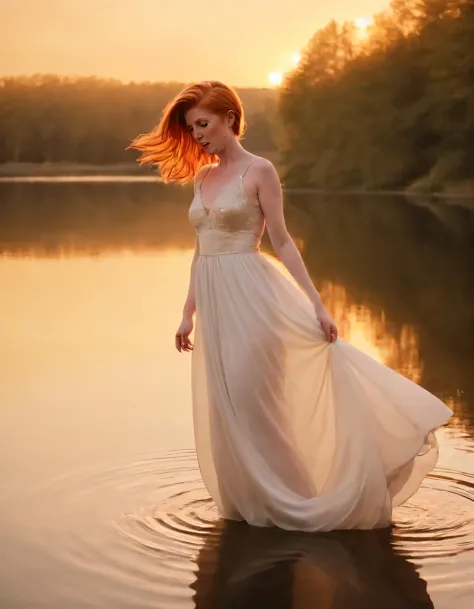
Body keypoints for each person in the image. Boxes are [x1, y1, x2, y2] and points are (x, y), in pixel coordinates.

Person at [129, 80, 453, 531]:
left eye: (203, 123)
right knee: (229, 410)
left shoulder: (260, 171)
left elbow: (281, 240)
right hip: (216, 307)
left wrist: (318, 306)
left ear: (230, 118)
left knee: (255, 402)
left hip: (254, 300)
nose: (197, 134)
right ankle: (255, 506)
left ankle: (300, 504)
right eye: (191, 127)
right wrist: (188, 312)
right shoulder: (203, 177)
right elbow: (202, 250)